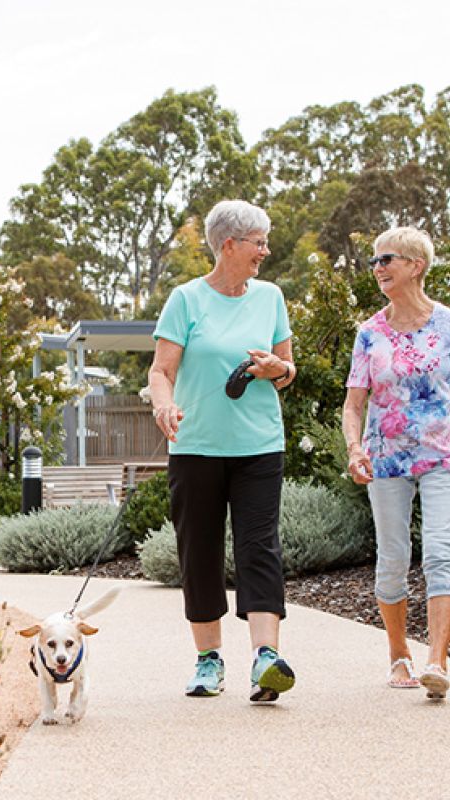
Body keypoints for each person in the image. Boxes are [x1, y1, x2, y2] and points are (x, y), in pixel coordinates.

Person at [148, 199, 296, 702]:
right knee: (200, 551)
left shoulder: (270, 297)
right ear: (228, 244)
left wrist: (274, 368)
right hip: (196, 448)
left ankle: (266, 660)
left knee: (260, 547)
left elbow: (287, 371)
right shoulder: (185, 299)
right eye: (258, 242)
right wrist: (164, 407)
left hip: (258, 445)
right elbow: (161, 371)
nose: (265, 251)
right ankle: (209, 661)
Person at [342, 226, 450, 700]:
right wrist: (354, 447)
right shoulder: (370, 333)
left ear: (416, 266)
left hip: (442, 455)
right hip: (385, 460)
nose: (379, 268)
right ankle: (398, 652)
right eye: (375, 261)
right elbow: (353, 404)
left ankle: (437, 660)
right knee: (392, 559)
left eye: (388, 259)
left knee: (441, 554)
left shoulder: (447, 324)